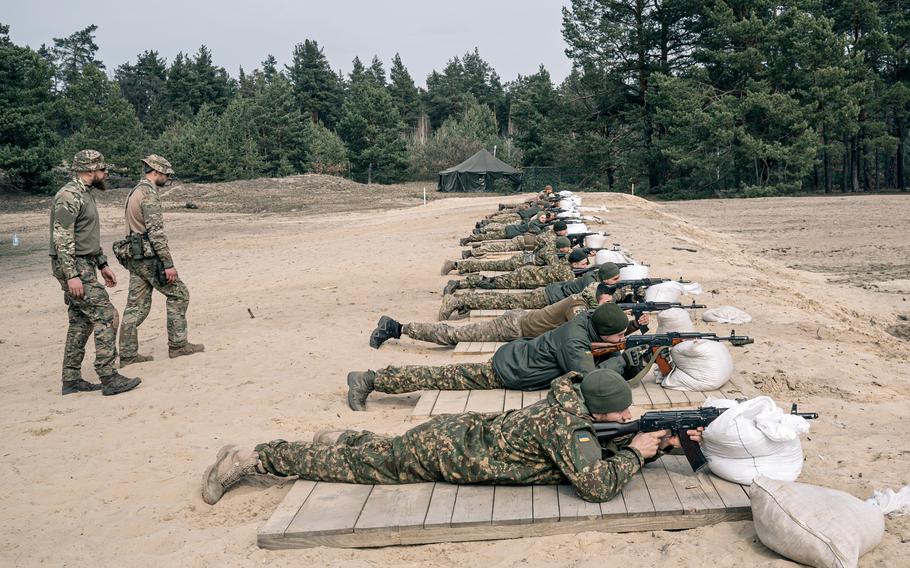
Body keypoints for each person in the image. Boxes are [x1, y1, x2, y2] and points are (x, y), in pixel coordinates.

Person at [201, 369, 704, 505]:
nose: (629, 414)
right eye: (622, 410)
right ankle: (254, 457)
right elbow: (595, 485)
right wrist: (639, 455)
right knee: (364, 471)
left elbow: (595, 444)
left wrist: (655, 444)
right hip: (444, 453)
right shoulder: (566, 426)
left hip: (457, 435)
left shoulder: (572, 405)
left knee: (377, 451)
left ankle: (341, 436)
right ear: (596, 409)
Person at [346, 303, 633, 411]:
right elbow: (589, 384)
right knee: (443, 378)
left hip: (517, 360)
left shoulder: (587, 325)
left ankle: (371, 378)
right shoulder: (576, 342)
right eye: (619, 335)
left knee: (446, 377)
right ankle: (369, 380)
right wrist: (621, 363)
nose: (622, 340)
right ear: (604, 331)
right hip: (509, 370)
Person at [49, 150, 141, 396]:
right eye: (102, 169)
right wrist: (71, 276)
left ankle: (71, 380)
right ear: (90, 170)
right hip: (74, 267)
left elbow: (86, 236)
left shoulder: (84, 194)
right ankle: (109, 376)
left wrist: (102, 265)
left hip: (85, 264)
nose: (105, 174)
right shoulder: (68, 196)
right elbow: (63, 239)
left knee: (81, 321)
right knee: (107, 315)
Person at [118, 155, 204, 366]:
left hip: (136, 256)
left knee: (135, 307)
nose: (167, 178)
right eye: (166, 174)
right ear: (155, 172)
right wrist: (168, 264)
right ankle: (178, 345)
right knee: (179, 294)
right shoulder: (148, 194)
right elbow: (156, 233)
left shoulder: (135, 191)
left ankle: (128, 354)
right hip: (149, 258)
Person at [369, 285, 648, 348]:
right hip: (513, 327)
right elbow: (590, 336)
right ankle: (397, 327)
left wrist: (633, 325)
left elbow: (604, 332)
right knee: (456, 335)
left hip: (520, 321)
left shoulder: (585, 305)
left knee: (459, 334)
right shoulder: (577, 308)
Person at [442, 247, 589, 295]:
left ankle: (460, 276)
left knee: (491, 280)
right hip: (522, 277)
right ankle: (458, 283)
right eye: (583, 264)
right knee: (490, 283)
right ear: (574, 263)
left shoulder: (564, 264)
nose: (585, 266)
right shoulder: (566, 272)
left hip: (525, 273)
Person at [440, 236, 572, 275]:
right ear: (562, 247)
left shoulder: (550, 248)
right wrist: (569, 258)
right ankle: (455, 264)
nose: (569, 249)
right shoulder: (550, 252)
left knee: (488, 266)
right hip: (519, 263)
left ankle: (456, 265)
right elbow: (555, 268)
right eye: (567, 247)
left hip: (521, 261)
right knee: (487, 265)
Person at [461, 221, 569, 258]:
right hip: (520, 243)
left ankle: (475, 247)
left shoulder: (551, 233)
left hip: (522, 240)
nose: (566, 232)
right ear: (559, 231)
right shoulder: (552, 237)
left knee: (495, 245)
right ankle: (470, 252)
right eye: (565, 230)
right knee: (495, 247)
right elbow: (553, 248)